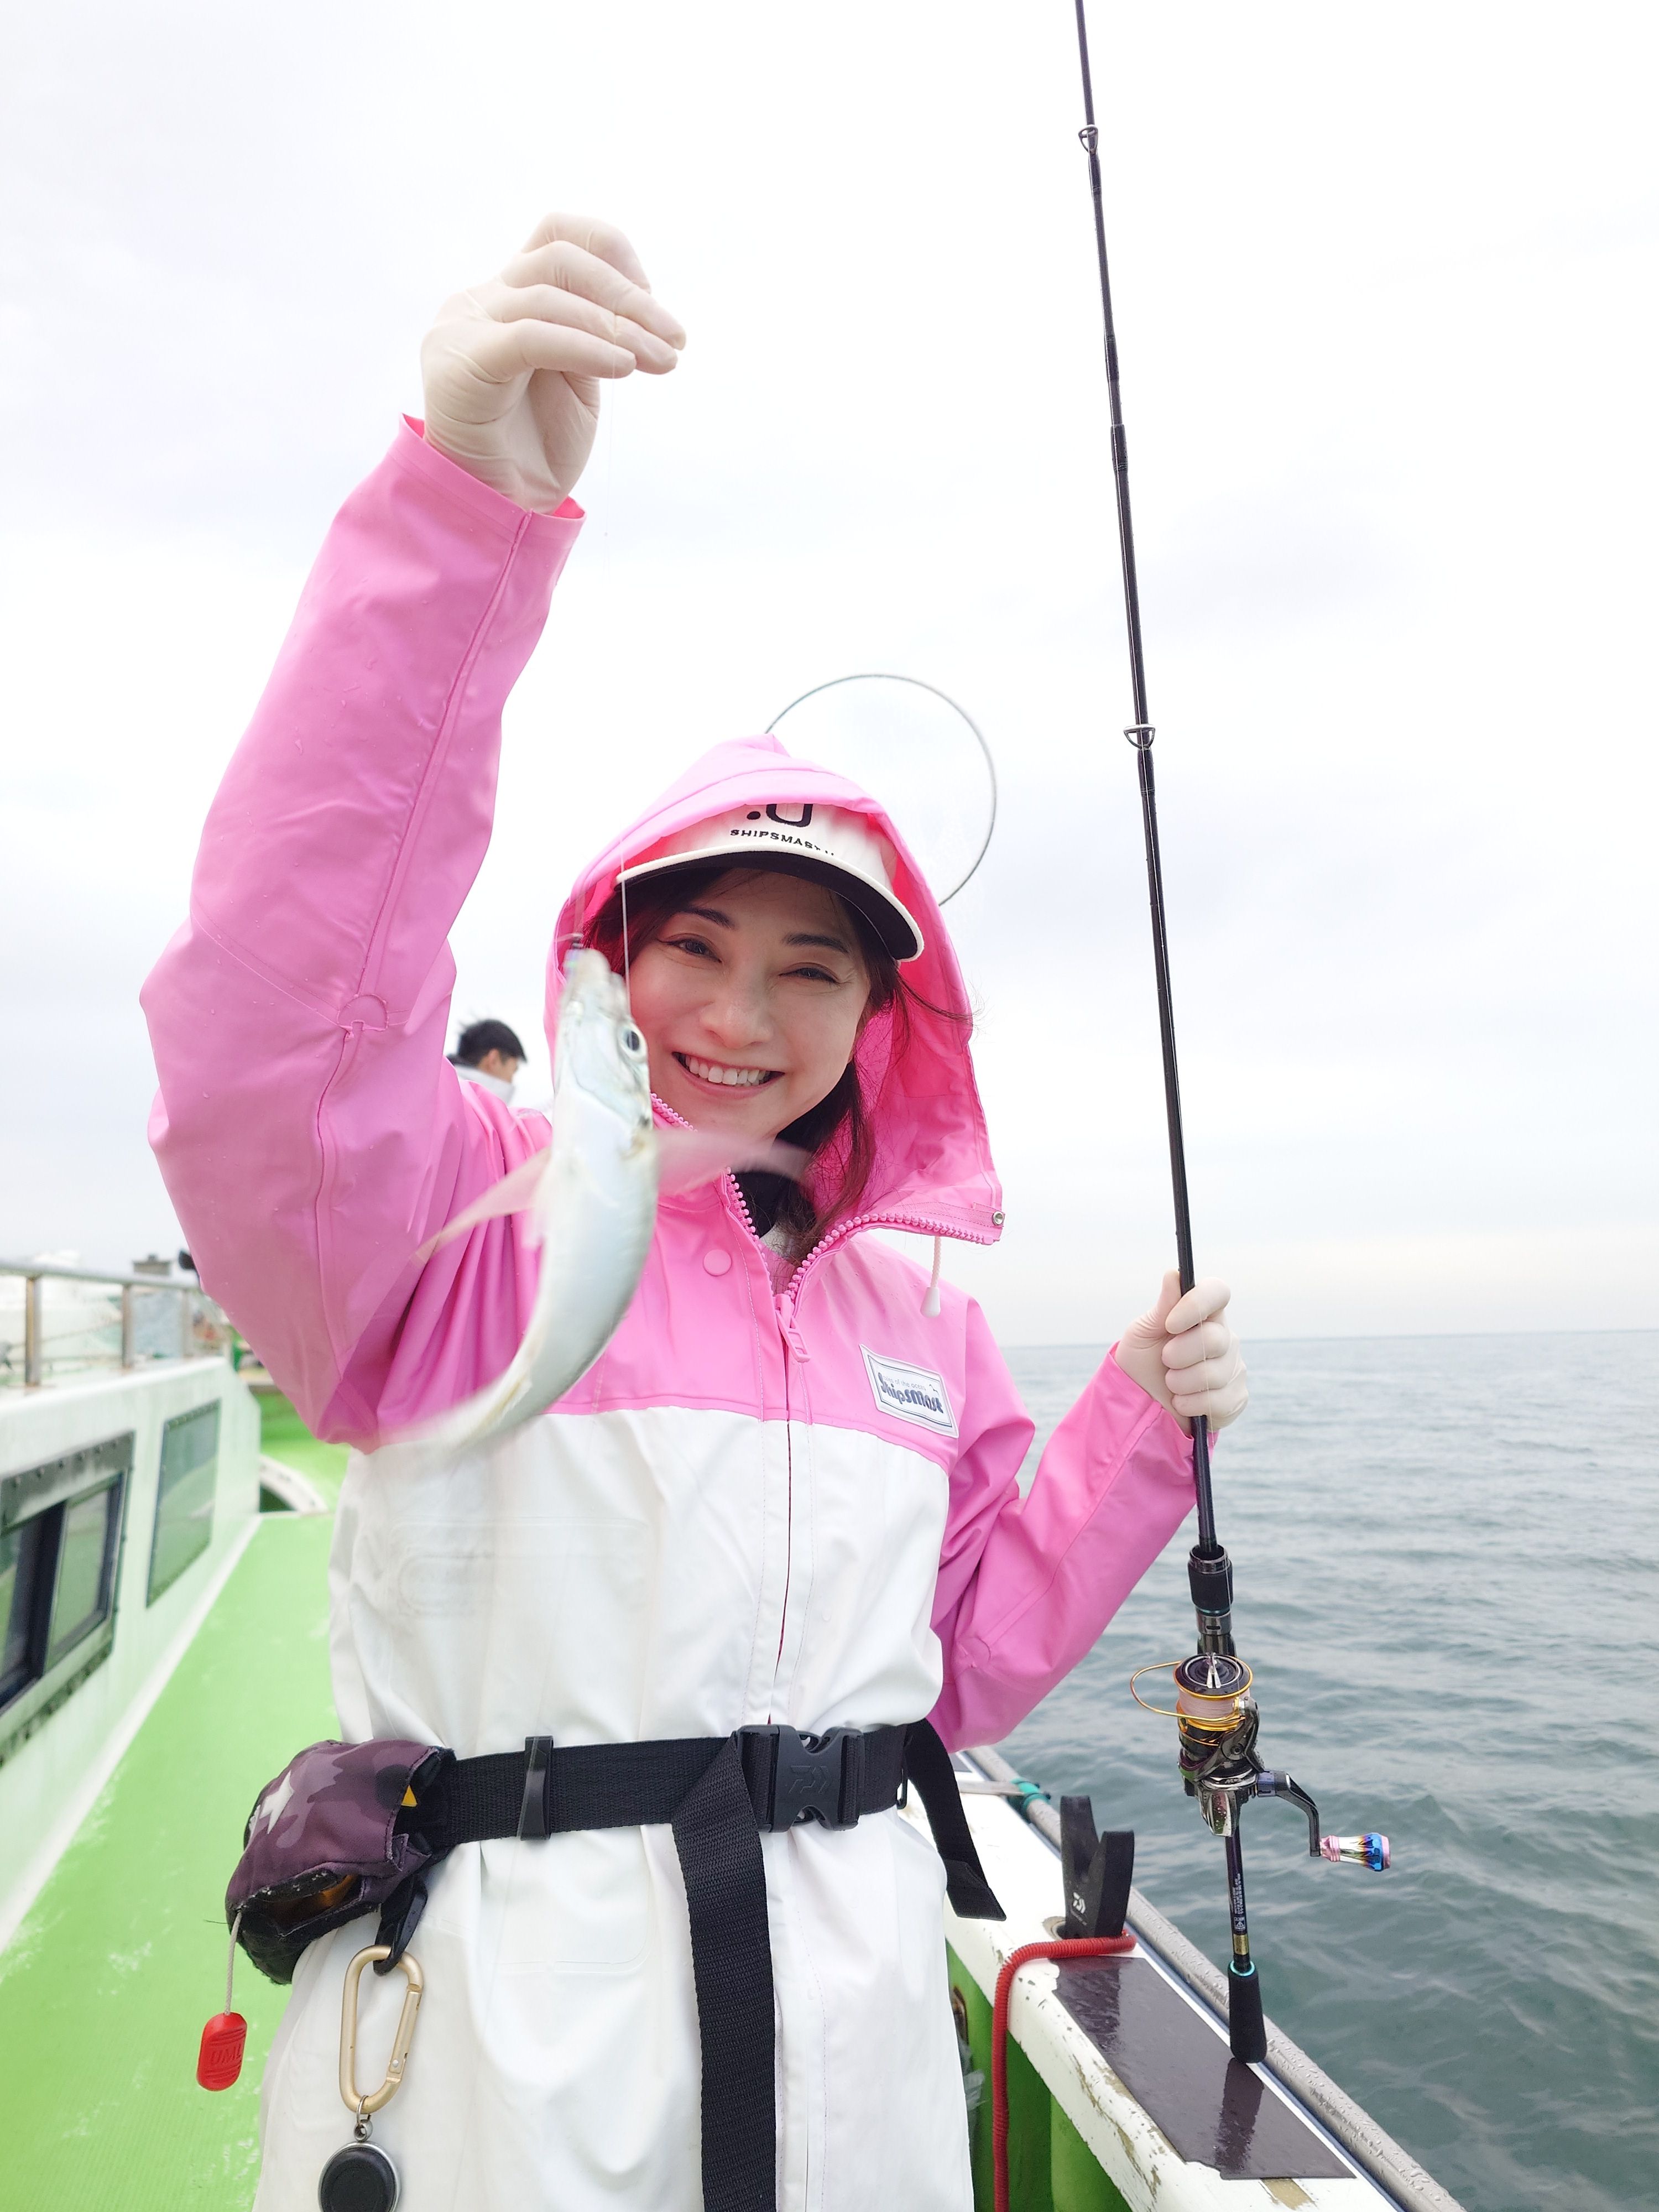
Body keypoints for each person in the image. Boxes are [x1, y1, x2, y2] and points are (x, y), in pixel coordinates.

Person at [141, 213, 1248, 2212]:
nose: (740, 1015)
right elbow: (274, 1014)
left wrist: (1133, 1427)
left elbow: (963, 1668)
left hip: (853, 2079)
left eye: (810, 970)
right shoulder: (456, 1217)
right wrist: (464, 516)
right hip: (501, 2079)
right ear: (603, 959)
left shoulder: (918, 1321)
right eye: (695, 948)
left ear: (880, 1019)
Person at [448, 1017, 527, 1100]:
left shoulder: (446, 1088)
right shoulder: (471, 1102)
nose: (511, 1082)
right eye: (514, 1071)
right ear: (494, 1060)